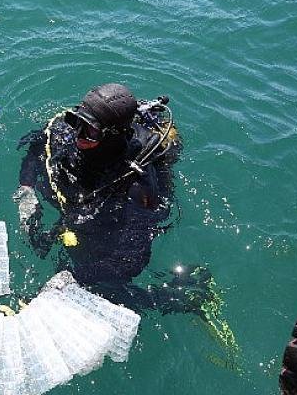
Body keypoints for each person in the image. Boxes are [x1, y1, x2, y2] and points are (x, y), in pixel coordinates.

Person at [14, 82, 201, 313]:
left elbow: (130, 261)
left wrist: (73, 277)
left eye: (89, 130)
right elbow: (36, 147)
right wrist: (27, 189)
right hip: (83, 194)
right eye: (77, 122)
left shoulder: (136, 185)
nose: (78, 135)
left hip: (113, 221)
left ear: (113, 134)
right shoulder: (69, 129)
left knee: (106, 288)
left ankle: (183, 296)